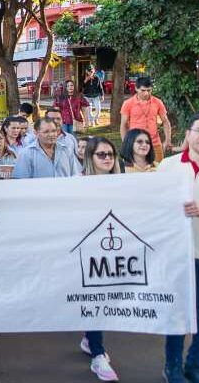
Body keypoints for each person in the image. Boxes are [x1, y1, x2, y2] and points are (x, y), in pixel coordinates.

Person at [160, 113, 199, 383]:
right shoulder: (168, 166)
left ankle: (194, 365)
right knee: (177, 314)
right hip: (177, 254)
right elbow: (152, 204)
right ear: (187, 134)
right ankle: (172, 366)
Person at [79, 136, 121, 381]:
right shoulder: (78, 183)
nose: (107, 158)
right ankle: (98, 353)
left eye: (110, 154)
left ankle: (90, 339)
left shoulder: (122, 183)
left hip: (113, 252)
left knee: (105, 300)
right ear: (90, 157)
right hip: (88, 252)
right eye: (101, 154)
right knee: (95, 299)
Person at [120, 76, 172, 162]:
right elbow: (123, 125)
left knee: (158, 171)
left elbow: (166, 122)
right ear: (136, 89)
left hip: (155, 143)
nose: (146, 93)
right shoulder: (128, 103)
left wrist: (167, 140)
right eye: (143, 90)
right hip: (135, 144)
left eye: (149, 90)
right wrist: (125, 144)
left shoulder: (158, 102)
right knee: (136, 173)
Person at [12, 118, 79, 179]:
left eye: (54, 131)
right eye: (46, 132)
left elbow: (75, 175)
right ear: (36, 133)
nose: (51, 135)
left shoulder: (66, 150)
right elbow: (21, 181)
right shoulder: (26, 154)